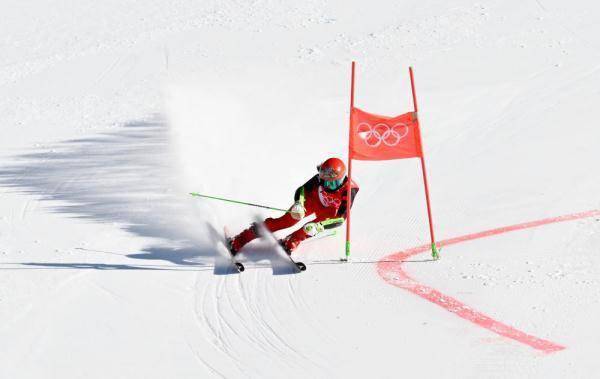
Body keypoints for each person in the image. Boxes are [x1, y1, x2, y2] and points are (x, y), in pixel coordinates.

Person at [229, 157, 359, 255]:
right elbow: (302, 190)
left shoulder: (349, 190)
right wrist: (299, 204)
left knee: (309, 228)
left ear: (341, 180)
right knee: (287, 221)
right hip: (313, 201)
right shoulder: (320, 178)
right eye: (325, 182)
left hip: (330, 211)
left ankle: (291, 241)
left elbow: (341, 218)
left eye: (332, 184)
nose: (327, 186)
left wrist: (320, 226)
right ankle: (241, 238)